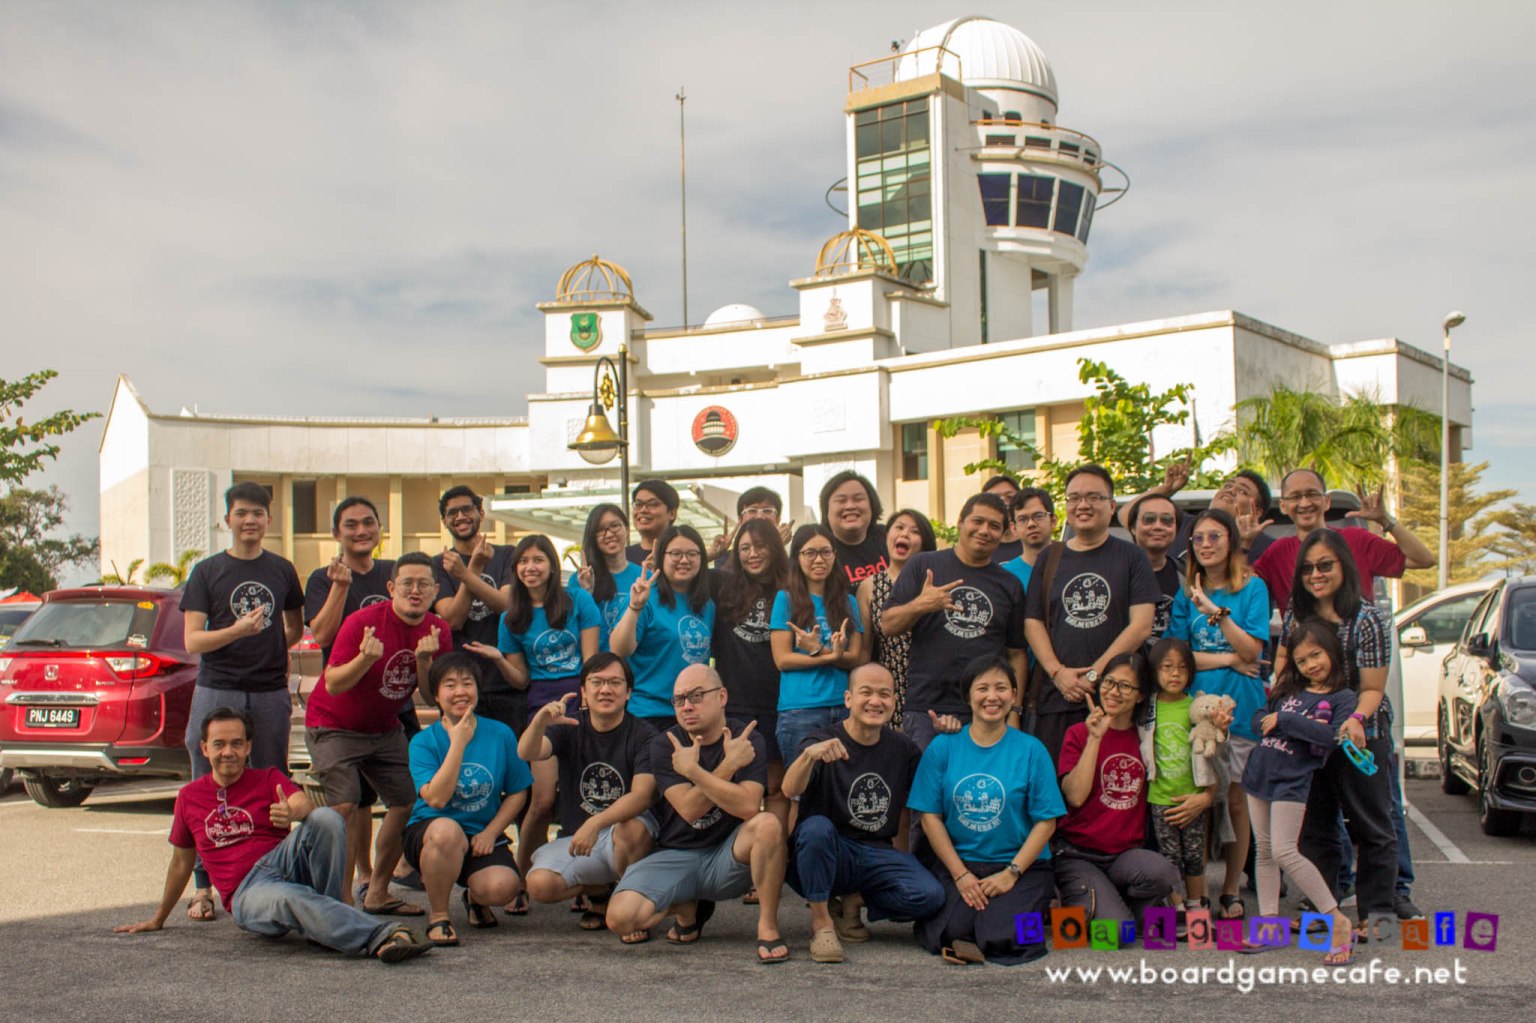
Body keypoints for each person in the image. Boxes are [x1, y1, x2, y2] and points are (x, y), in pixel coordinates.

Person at [115, 708, 431, 964]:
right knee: (287, 896)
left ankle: (329, 922)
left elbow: (303, 803)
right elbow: (181, 864)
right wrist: (158, 918)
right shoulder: (189, 797)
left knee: (326, 818)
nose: (228, 752)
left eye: (236, 743)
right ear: (204, 748)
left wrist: (291, 811)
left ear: (248, 747)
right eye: (219, 744)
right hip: (247, 892)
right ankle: (382, 934)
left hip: (282, 863)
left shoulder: (267, 778)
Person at [604, 664, 790, 964]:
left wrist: (693, 772)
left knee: (767, 824)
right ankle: (686, 908)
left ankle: (767, 925)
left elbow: (747, 806)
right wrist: (727, 766)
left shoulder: (746, 738)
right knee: (620, 919)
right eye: (679, 699)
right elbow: (690, 810)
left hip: (727, 857)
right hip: (675, 855)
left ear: (722, 697)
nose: (687, 706)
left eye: (697, 696)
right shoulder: (665, 744)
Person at [180, 481, 305, 922]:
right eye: (241, 513)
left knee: (273, 780)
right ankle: (203, 887)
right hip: (218, 686)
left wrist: (268, 646)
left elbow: (293, 628)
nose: (250, 520)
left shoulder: (282, 570)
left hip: (269, 690)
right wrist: (238, 631)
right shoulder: (207, 571)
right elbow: (193, 640)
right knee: (206, 782)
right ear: (227, 520)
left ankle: (273, 875)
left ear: (269, 519)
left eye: (258, 513)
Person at [305, 552, 449, 914]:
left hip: (384, 727)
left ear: (435, 590)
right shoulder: (362, 622)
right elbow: (333, 683)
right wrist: (365, 659)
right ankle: (341, 901)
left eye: (423, 584)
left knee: (409, 801)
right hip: (333, 724)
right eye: (407, 583)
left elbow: (433, 696)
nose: (415, 591)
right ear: (391, 587)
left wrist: (424, 661)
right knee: (345, 804)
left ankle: (378, 891)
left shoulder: (438, 630)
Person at [1276, 530, 1400, 931]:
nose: (1316, 575)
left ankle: (1375, 916)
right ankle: (1323, 911)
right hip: (1311, 737)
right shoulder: (1297, 614)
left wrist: (1355, 720)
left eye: (1325, 565)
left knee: (1372, 826)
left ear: (1344, 566)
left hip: (1360, 735)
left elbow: (1373, 689)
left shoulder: (1368, 619)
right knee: (1315, 828)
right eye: (1308, 568)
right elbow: (1286, 669)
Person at [782, 663, 944, 963]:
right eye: (866, 692)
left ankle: (853, 902)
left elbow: (930, 800)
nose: (875, 701)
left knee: (930, 895)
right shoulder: (821, 741)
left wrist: (946, 740)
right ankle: (821, 923)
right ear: (848, 699)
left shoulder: (904, 749)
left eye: (884, 694)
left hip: (875, 853)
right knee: (816, 828)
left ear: (894, 701)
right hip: (825, 850)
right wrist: (808, 757)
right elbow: (789, 788)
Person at [909, 655, 1064, 965]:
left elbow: (1047, 822)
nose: (992, 697)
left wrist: (1011, 873)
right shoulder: (943, 747)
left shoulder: (1032, 750)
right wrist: (960, 875)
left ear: (1014, 695)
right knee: (952, 929)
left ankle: (1034, 909)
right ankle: (975, 922)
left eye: (1001, 688)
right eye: (982, 688)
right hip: (961, 862)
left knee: (1007, 937)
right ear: (968, 696)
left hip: (1021, 866)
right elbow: (929, 817)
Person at [468, 534, 600, 881]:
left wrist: (590, 704)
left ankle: (584, 880)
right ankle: (522, 878)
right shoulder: (511, 617)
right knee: (541, 801)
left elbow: (592, 661)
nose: (531, 567)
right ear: (515, 570)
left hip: (583, 699)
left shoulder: (578, 600)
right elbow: (521, 680)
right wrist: (499, 659)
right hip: (543, 706)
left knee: (583, 795)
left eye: (538, 560)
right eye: (523, 561)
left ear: (552, 566)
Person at [302, 495, 412, 894]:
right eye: (351, 525)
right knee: (354, 801)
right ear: (336, 533)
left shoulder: (393, 572)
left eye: (369, 522)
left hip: (393, 702)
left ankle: (381, 880)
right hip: (344, 702)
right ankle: (359, 877)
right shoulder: (323, 577)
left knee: (407, 794)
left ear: (380, 528)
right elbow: (322, 635)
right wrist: (340, 587)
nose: (361, 530)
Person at [1165, 507, 1269, 921]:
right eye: (1199, 538)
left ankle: (1231, 888)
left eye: (1214, 537)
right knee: (1203, 801)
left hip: (1241, 711)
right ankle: (1199, 891)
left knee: (1237, 804)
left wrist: (1214, 611)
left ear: (1232, 542)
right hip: (1196, 715)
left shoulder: (1253, 588)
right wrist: (1228, 658)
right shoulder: (1185, 594)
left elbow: (1253, 651)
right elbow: (1178, 657)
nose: (1206, 545)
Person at [1240, 621, 1359, 964]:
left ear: (1332, 652)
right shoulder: (1288, 690)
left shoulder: (1342, 698)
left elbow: (1331, 737)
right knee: (1264, 851)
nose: (1310, 665)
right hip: (1260, 772)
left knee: (1284, 851)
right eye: (1302, 660)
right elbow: (1259, 718)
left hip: (1292, 779)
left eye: (1316, 655)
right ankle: (1269, 925)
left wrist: (1285, 722)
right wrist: (1277, 720)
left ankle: (1337, 920)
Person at [1024, 465, 1159, 764]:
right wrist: (1057, 673)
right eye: (1074, 498)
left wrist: (1096, 674)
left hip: (1114, 699)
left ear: (1111, 506)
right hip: (1055, 698)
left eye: (1093, 497)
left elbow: (1141, 625)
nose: (1082, 505)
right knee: (1055, 783)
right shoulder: (1050, 556)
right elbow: (1032, 621)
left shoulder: (1132, 557)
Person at [519, 653, 658, 939]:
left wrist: (595, 823)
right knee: (540, 884)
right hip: (581, 839)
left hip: (624, 835)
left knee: (631, 829)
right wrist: (540, 722)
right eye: (597, 682)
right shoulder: (569, 726)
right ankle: (599, 891)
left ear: (628, 692)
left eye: (615, 683)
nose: (605, 689)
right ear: (584, 690)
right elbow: (527, 752)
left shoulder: (644, 735)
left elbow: (642, 796)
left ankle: (630, 907)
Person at [403, 652, 531, 946]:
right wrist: (458, 744)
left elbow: (518, 792)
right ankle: (439, 916)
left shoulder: (500, 734)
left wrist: (492, 832)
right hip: (432, 831)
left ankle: (475, 898)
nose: (460, 691)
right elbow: (437, 799)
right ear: (436, 695)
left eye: (467, 683)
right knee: (447, 832)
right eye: (450, 685)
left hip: (480, 834)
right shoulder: (423, 742)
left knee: (504, 887)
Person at [881, 494, 1028, 750]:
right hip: (927, 708)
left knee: (982, 777)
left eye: (994, 526)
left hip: (987, 708)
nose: (984, 530)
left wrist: (1014, 711)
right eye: (977, 521)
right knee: (927, 776)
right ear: (961, 522)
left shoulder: (1009, 584)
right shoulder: (923, 565)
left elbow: (1016, 654)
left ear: (1004, 533)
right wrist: (921, 604)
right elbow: (888, 625)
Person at [1054, 653, 1181, 925]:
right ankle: (1089, 898)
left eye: (1125, 686)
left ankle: (1110, 899)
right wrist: (1095, 739)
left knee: (1165, 874)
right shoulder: (1078, 733)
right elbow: (1075, 796)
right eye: (1109, 682)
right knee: (1119, 931)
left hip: (1125, 856)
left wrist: (1205, 797)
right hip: (1079, 854)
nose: (1113, 692)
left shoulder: (1147, 740)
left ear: (1140, 695)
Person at [1249, 468, 1434, 614]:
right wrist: (1243, 542)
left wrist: (1385, 520)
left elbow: (1424, 560)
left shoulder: (1356, 539)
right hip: (1305, 651)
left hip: (1357, 648)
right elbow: (1241, 586)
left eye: (1312, 494)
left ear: (1327, 501)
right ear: (1283, 506)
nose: (1305, 503)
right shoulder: (1277, 553)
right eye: (1296, 497)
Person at [711, 518, 791, 828]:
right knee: (733, 783)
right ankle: (737, 851)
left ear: (775, 547)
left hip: (778, 703)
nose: (752, 554)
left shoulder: (791, 587)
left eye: (760, 546)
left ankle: (774, 849)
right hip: (734, 702)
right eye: (744, 548)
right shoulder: (721, 584)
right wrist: (712, 552)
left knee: (776, 786)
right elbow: (683, 568)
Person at [771, 525, 865, 758]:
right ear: (797, 558)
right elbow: (782, 660)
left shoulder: (848, 601)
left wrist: (819, 650)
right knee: (803, 780)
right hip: (800, 710)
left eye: (826, 552)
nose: (819, 559)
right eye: (810, 553)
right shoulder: (785, 599)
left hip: (844, 707)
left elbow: (856, 658)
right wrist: (829, 655)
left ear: (834, 555)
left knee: (843, 778)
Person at [609, 525, 716, 730]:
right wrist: (635, 607)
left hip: (692, 713)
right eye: (675, 553)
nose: (684, 560)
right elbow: (619, 650)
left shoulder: (707, 605)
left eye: (692, 554)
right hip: (649, 714)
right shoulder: (645, 596)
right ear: (661, 557)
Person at [430, 486, 518, 730]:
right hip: (460, 684)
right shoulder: (438, 564)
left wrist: (465, 574)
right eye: (452, 513)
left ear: (481, 512)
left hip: (506, 677)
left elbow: (507, 607)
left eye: (467, 509)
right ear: (444, 521)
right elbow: (453, 620)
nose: (460, 517)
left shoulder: (506, 554)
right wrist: (474, 569)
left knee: (510, 749)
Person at [1143, 638, 1215, 919]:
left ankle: (1196, 905)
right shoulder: (1147, 707)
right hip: (1161, 796)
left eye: (1182, 667)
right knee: (1169, 856)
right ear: (1154, 670)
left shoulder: (1197, 706)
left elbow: (1214, 744)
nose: (1175, 674)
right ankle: (1177, 907)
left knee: (1194, 855)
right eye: (1167, 667)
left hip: (1192, 794)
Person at [856, 509, 938, 728]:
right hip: (886, 685)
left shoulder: (933, 583)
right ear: (887, 536)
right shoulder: (869, 586)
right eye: (899, 527)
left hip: (930, 685)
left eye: (915, 531)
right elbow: (865, 651)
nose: (904, 534)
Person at [570, 503, 644, 651]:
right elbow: (572, 628)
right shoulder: (580, 579)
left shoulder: (644, 577)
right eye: (600, 530)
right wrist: (586, 593)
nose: (609, 534)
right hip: (597, 661)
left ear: (627, 529)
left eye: (615, 526)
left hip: (636, 661)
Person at [1125, 492, 1183, 642]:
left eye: (1167, 520)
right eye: (1149, 519)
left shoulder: (1186, 573)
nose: (1158, 526)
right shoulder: (1115, 572)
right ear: (1132, 527)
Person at [818, 470, 887, 586]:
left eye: (858, 499)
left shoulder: (888, 537)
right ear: (826, 510)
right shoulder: (818, 549)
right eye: (841, 500)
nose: (850, 506)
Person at [707, 485, 796, 565]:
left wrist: (777, 547)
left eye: (767, 511)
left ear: (778, 520)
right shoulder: (726, 559)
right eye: (752, 511)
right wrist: (711, 554)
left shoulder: (793, 557)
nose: (760, 516)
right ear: (740, 520)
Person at [1000, 488, 1057, 594]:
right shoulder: (1005, 576)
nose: (1031, 524)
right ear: (1013, 528)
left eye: (1038, 516)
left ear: (1053, 521)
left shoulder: (1070, 565)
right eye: (1022, 519)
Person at [625, 479, 680, 566]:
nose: (643, 510)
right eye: (638, 504)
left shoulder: (684, 557)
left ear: (672, 513)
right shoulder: (622, 558)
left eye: (652, 504)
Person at [980, 474, 1023, 564]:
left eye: (1010, 497)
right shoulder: (978, 549)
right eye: (995, 498)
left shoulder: (1034, 545)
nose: (1004, 503)